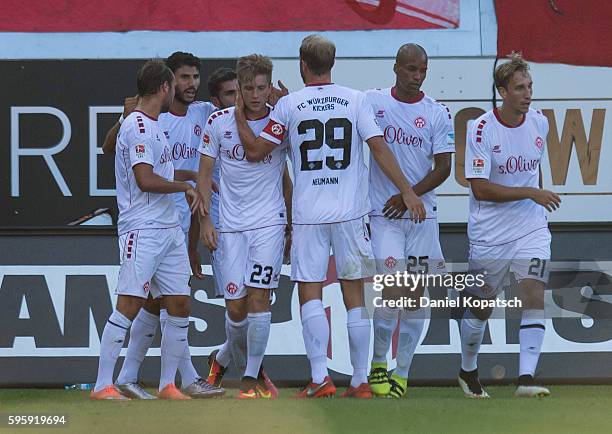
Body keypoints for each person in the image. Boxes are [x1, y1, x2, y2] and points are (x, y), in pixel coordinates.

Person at [234, 34, 425, 398]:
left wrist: (241, 113)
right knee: (354, 295)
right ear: (332, 64)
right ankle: (359, 380)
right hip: (351, 213)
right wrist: (408, 189)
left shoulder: (288, 105)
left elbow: (257, 150)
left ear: (302, 65)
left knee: (310, 292)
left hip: (308, 215)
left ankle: (320, 378)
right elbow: (379, 148)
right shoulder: (356, 100)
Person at [101, 53, 227, 399]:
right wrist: (185, 187)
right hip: (142, 228)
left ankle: (169, 384)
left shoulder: (156, 123)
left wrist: (187, 177)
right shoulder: (139, 124)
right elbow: (144, 179)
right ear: (164, 86)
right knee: (131, 303)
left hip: (169, 227)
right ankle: (104, 384)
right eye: (179, 80)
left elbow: (163, 171)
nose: (187, 86)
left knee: (179, 303)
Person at [459, 52, 560, 398]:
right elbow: (479, 187)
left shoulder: (540, 122)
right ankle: (467, 370)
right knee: (481, 306)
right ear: (502, 91)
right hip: (490, 235)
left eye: (530, 86)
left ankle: (526, 380)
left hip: (531, 228)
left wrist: (536, 198)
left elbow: (533, 171)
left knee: (533, 292)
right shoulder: (482, 128)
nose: (528, 93)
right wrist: (531, 191)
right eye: (519, 88)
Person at [198, 54, 291, 399]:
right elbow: (205, 174)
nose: (255, 94)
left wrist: (293, 223)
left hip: (269, 221)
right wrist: (207, 219)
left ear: (270, 86)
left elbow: (293, 174)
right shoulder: (217, 123)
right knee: (236, 308)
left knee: (259, 298)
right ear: (239, 87)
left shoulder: (282, 121)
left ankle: (250, 378)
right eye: (248, 88)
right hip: (231, 226)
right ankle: (222, 358)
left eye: (261, 88)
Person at [366, 43, 454, 398]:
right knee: (391, 289)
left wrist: (409, 195)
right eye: (411, 69)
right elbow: (332, 105)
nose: (417, 77)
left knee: (416, 295)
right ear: (396, 68)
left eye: (422, 71)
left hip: (421, 215)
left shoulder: (437, 113)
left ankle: (402, 372)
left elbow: (444, 167)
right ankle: (377, 362)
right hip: (383, 214)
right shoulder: (373, 102)